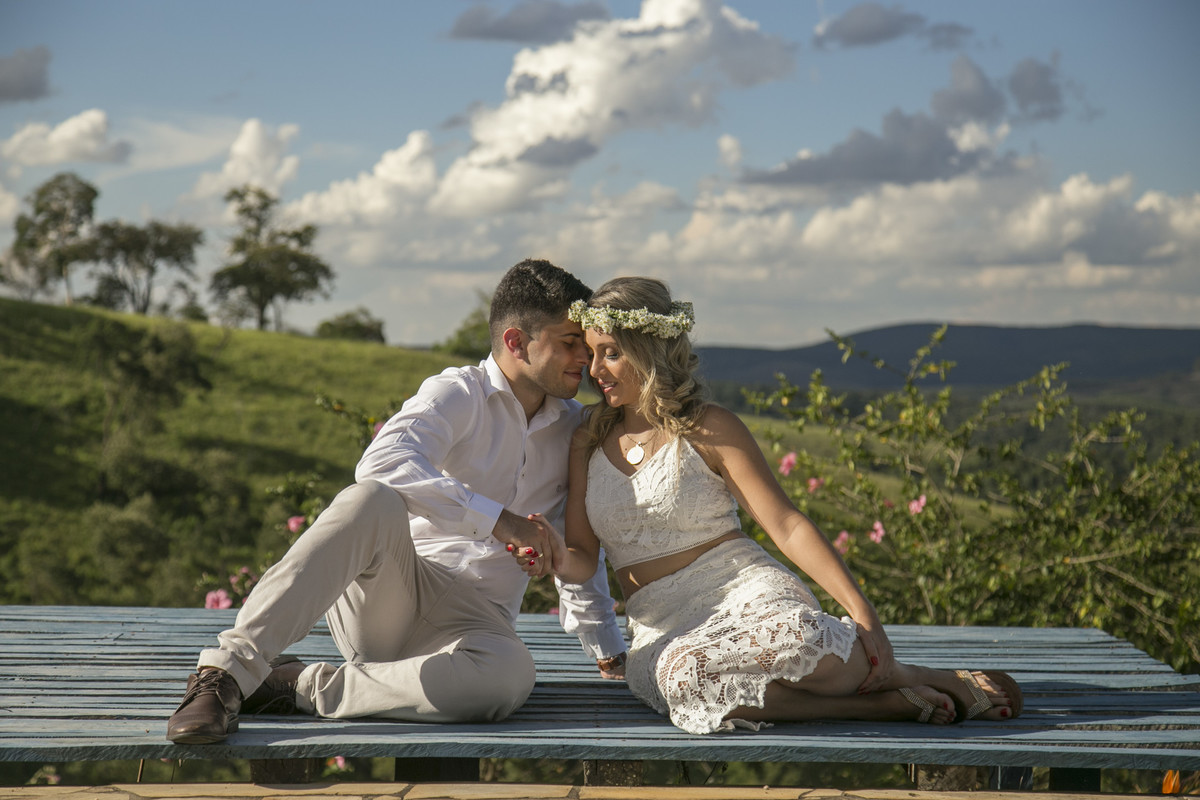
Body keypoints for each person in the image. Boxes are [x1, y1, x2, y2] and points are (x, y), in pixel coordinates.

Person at [520, 276, 1023, 735]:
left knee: (798, 637)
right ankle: (879, 704)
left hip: (743, 589)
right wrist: (554, 556)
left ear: (646, 349)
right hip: (662, 622)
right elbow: (584, 554)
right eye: (589, 353)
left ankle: (906, 673)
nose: (593, 370)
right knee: (683, 681)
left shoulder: (708, 426)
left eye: (608, 353)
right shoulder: (587, 436)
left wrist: (863, 613)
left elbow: (785, 524)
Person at [167, 258, 626, 745]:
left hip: (477, 626)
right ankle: (225, 675)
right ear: (515, 341)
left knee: (511, 677)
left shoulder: (576, 429)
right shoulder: (459, 392)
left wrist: (606, 649)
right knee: (371, 499)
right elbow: (381, 462)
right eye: (568, 342)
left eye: (587, 344)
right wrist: (501, 523)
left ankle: (295, 685)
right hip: (395, 594)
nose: (586, 360)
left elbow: (578, 541)